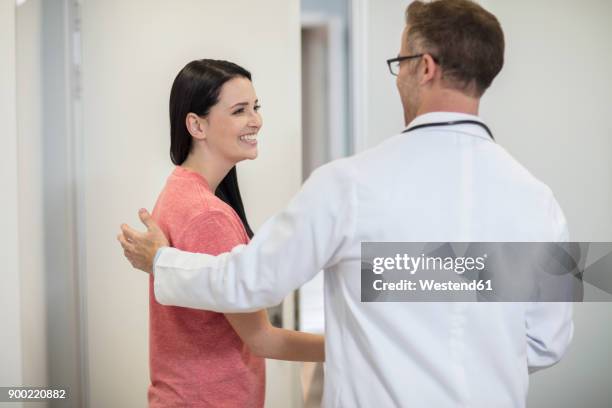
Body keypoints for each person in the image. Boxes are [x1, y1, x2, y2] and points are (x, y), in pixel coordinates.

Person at [119, 1, 573, 407]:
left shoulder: (351, 184)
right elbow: (548, 342)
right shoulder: (537, 199)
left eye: (401, 63)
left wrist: (162, 262)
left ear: (426, 68)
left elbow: (251, 281)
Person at [139, 59, 324, 408]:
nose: (256, 120)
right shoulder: (207, 215)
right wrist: (348, 346)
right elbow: (261, 340)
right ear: (196, 125)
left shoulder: (181, 189)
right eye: (239, 110)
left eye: (255, 107)